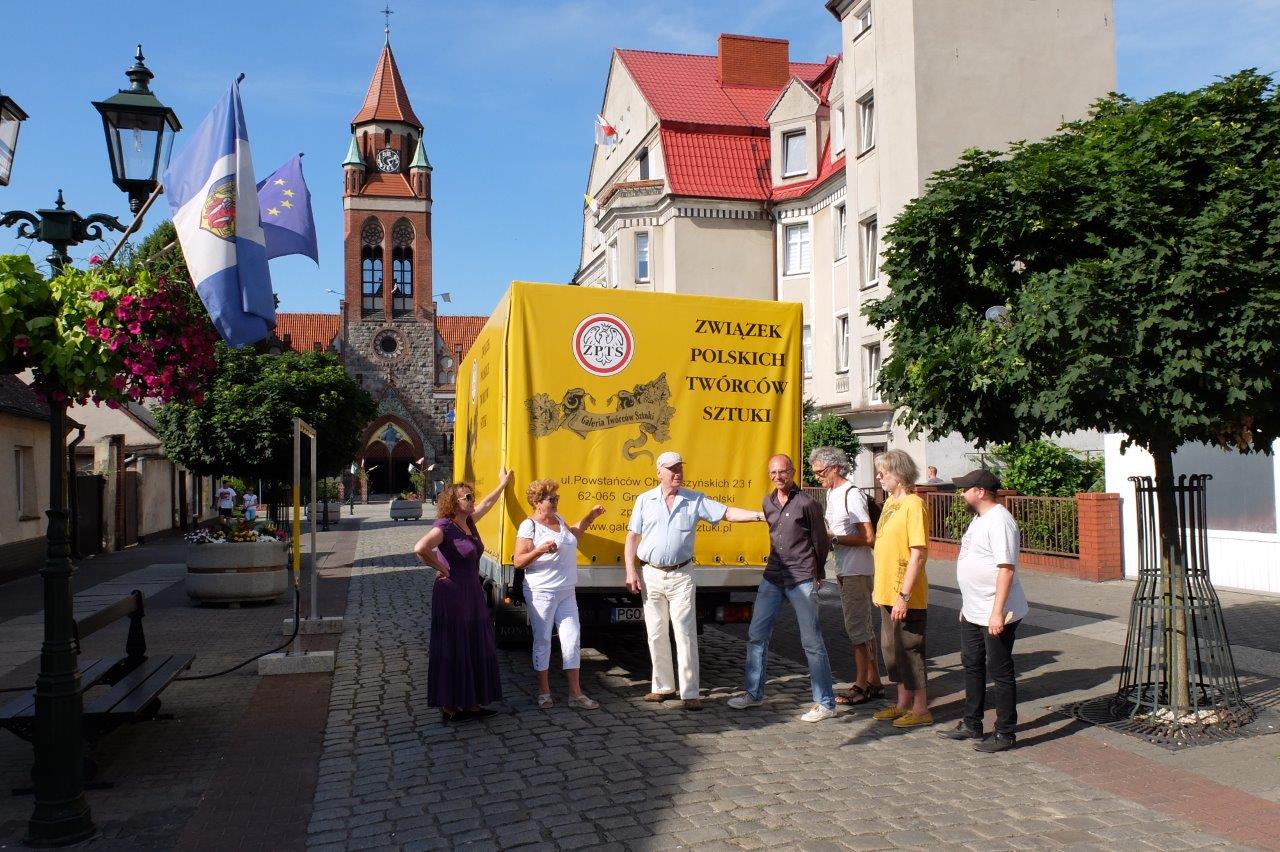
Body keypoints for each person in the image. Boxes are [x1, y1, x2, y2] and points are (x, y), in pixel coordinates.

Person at [625, 450, 766, 711]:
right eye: (672, 469)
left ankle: (690, 692)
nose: (677, 473)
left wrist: (761, 515)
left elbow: (728, 513)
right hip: (651, 574)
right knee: (655, 632)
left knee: (685, 633)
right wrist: (630, 571)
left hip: (681, 575)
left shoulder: (694, 499)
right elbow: (633, 536)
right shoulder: (644, 500)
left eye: (680, 468)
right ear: (659, 472)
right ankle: (662, 687)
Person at [728, 455, 836, 721]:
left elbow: (820, 542)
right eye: (773, 472)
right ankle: (753, 694)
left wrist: (818, 572)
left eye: (782, 472)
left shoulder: (808, 504)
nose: (778, 476)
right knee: (756, 635)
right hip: (773, 576)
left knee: (812, 642)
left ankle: (825, 703)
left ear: (792, 472)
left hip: (801, 578)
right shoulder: (768, 502)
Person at [414, 470, 513, 722]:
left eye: (471, 496)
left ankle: (471, 702)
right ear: (454, 502)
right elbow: (421, 548)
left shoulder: (468, 523)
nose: (472, 500)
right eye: (467, 497)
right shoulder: (445, 527)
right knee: (454, 644)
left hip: (472, 593)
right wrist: (441, 568)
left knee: (473, 643)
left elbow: (487, 504)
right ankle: (450, 705)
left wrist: (502, 484)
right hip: (452, 594)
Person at [940, 469, 1028, 752]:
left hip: (996, 611)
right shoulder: (979, 518)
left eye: (965, 489)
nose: (961, 494)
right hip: (974, 609)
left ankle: (1005, 733)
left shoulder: (1000, 521)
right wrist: (967, 604)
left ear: (979, 491)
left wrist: (997, 612)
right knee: (972, 664)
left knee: (1000, 670)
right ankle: (972, 723)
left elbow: (1006, 569)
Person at [514, 479, 606, 710]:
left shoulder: (559, 520)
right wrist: (540, 550)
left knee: (572, 640)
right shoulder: (529, 526)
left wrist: (590, 517)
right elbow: (518, 561)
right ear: (537, 502)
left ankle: (575, 694)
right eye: (551, 499)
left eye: (557, 498)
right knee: (543, 640)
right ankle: (544, 692)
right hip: (541, 592)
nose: (555, 502)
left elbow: (573, 534)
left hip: (567, 591)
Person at [809, 446, 884, 707]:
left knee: (856, 629)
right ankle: (874, 680)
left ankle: (861, 685)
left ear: (834, 468)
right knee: (863, 627)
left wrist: (833, 538)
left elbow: (869, 537)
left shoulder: (851, 495)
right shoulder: (832, 493)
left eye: (820, 472)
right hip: (845, 569)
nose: (817, 477)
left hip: (857, 570)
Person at [870, 449, 933, 728]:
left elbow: (918, 554)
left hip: (905, 594)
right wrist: (877, 588)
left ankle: (921, 709)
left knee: (909, 649)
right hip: (886, 592)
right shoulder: (889, 503)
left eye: (883, 472)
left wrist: (904, 596)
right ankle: (902, 703)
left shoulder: (914, 504)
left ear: (899, 473)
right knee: (891, 649)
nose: (879, 477)